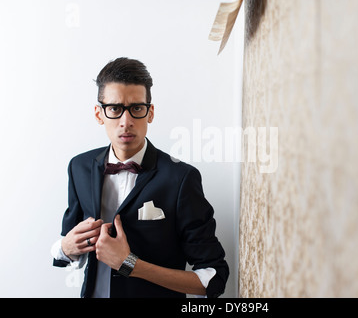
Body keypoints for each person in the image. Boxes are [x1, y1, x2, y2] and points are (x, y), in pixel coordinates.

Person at [51, 57, 229, 298]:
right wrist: (65, 248)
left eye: (136, 108)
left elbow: (214, 278)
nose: (126, 122)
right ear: (99, 114)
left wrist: (131, 265)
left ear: (150, 113)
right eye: (114, 108)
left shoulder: (181, 179)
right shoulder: (79, 167)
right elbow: (69, 242)